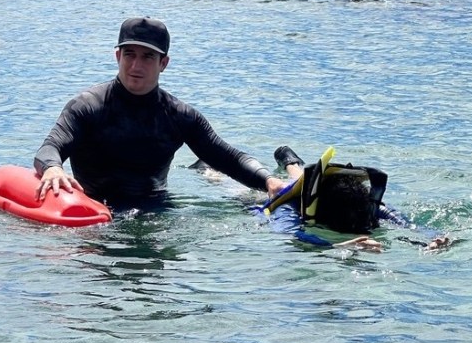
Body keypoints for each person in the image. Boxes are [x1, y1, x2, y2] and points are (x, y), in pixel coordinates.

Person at [33, 16, 287, 209]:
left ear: (163, 63)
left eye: (147, 57)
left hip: (157, 211)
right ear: (117, 56)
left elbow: (228, 158)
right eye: (129, 55)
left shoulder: (179, 116)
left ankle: (237, 178)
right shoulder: (87, 106)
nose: (136, 66)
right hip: (93, 211)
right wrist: (53, 168)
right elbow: (50, 148)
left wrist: (268, 181)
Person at [193, 146, 451, 252]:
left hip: (311, 184)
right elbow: (291, 233)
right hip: (277, 197)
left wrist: (433, 237)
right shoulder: (291, 208)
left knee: (301, 176)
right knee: (238, 190)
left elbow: (405, 225)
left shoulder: (366, 203)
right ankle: (208, 168)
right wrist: (342, 245)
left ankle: (289, 158)